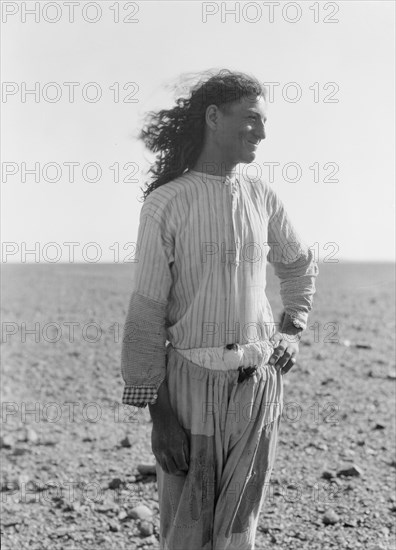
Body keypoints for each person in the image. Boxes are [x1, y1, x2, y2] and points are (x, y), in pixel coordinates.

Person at [121, 69, 318, 550]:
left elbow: (298, 266)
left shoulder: (262, 196)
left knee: (238, 533)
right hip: (190, 388)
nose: (263, 132)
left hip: (257, 389)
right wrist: (160, 417)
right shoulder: (166, 204)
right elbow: (147, 314)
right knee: (187, 534)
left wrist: (291, 331)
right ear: (213, 117)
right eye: (252, 118)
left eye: (265, 121)